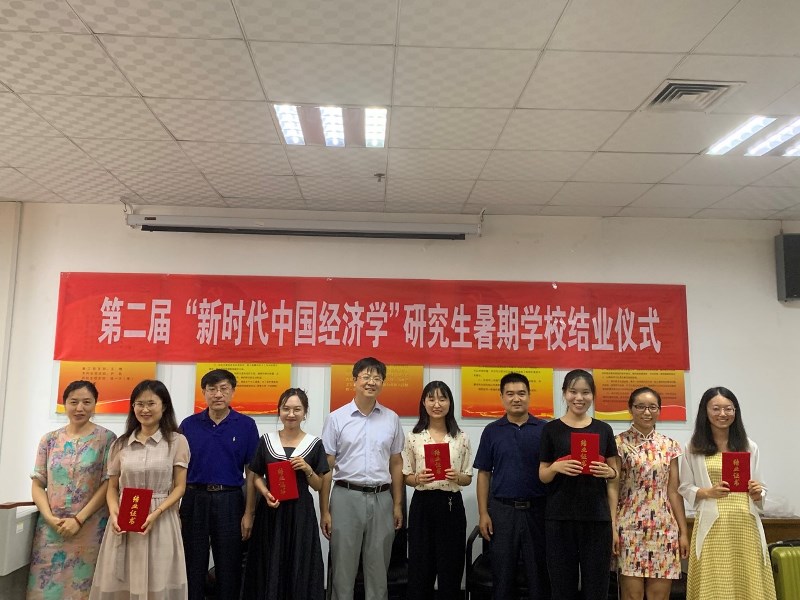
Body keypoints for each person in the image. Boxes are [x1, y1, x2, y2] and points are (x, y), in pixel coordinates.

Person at [89, 379, 190, 599]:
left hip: (161, 519)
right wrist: (114, 513)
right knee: (124, 581)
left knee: (159, 581)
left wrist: (156, 513)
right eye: (139, 404)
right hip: (126, 519)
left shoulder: (177, 441)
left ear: (164, 406)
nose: (145, 409)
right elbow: (112, 487)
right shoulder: (120, 444)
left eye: (151, 403)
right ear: (133, 407)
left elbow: (180, 487)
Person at [678, 387, 776, 600]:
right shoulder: (693, 447)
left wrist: (758, 493)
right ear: (705, 411)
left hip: (744, 522)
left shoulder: (749, 446)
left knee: (747, 580)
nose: (722, 414)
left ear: (735, 412)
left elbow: (761, 487)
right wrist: (708, 491)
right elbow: (684, 487)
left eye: (728, 409)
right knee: (715, 581)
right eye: (716, 408)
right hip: (713, 524)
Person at [320, 356, 405, 600]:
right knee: (343, 570)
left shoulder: (391, 418)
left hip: (382, 498)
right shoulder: (336, 418)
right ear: (355, 380)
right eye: (366, 377)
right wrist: (324, 510)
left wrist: (397, 504)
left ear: (382, 383)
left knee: (378, 570)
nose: (371, 382)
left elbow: (396, 462)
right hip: (345, 496)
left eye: (377, 378)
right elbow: (327, 466)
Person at [27, 380, 117, 600]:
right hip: (51, 530)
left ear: (95, 404)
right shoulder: (49, 440)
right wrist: (49, 518)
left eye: (87, 402)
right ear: (64, 404)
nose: (80, 408)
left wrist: (78, 519)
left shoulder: (107, 439)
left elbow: (108, 483)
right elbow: (38, 483)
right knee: (44, 589)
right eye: (74, 402)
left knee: (84, 590)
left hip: (89, 529)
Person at [241, 388, 330, 599]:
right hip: (271, 512)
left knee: (298, 564)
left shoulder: (314, 444)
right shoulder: (266, 441)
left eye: (297, 409)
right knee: (269, 563)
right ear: (279, 411)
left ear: (305, 412)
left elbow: (318, 485)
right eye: (286, 409)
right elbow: (255, 475)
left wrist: (307, 469)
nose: (291, 414)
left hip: (300, 514)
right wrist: (265, 492)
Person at [539, 369, 619, 600]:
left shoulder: (603, 429)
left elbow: (615, 475)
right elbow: (542, 475)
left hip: (597, 518)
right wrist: (556, 467)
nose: (579, 398)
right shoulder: (551, 429)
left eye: (585, 392)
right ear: (564, 393)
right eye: (573, 392)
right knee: (562, 586)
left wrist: (609, 472)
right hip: (559, 517)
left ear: (593, 395)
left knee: (597, 586)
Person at [179, 369, 259, 600]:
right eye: (212, 389)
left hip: (230, 500)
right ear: (203, 392)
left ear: (233, 392)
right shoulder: (188, 425)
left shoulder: (246, 425)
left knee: (229, 564)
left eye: (224, 389)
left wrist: (249, 513)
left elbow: (252, 473)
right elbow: (178, 471)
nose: (217, 394)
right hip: (194, 499)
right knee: (192, 563)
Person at [473, 372, 550, 599]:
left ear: (529, 396)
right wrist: (483, 513)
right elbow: (484, 474)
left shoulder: (545, 429)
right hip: (502, 512)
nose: (516, 398)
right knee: (502, 576)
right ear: (502, 397)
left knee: (539, 576)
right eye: (510, 394)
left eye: (521, 393)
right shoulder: (492, 431)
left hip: (538, 511)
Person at [615, 387, 689, 600]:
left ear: (659, 410)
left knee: (659, 596)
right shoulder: (618, 443)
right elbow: (612, 488)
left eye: (652, 407)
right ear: (630, 409)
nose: (646, 412)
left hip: (664, 528)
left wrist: (683, 532)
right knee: (632, 595)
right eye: (640, 407)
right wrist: (612, 527)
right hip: (629, 527)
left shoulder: (670, 446)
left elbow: (674, 491)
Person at [402, 381, 473, 600]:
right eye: (431, 399)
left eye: (442, 399)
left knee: (451, 567)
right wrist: (417, 478)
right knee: (420, 566)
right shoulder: (413, 437)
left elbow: (468, 477)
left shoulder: (461, 437)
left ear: (450, 403)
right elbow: (406, 475)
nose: (437, 404)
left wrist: (457, 476)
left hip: (451, 505)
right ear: (423, 403)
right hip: (422, 504)